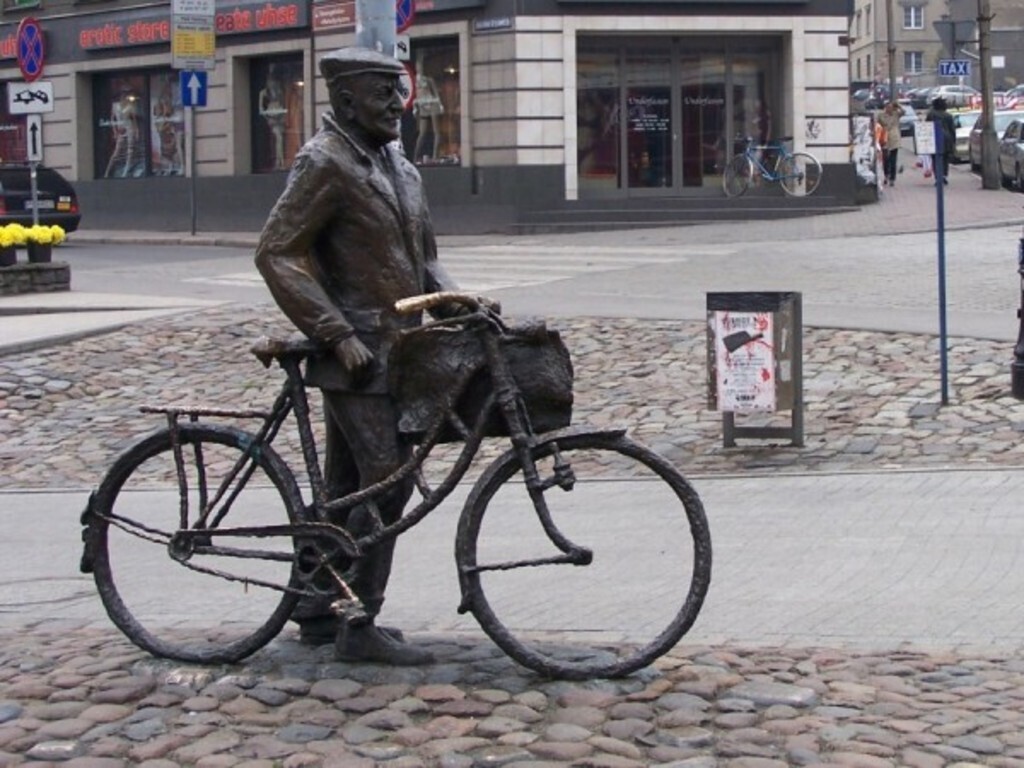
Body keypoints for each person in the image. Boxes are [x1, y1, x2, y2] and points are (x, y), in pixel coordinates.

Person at [255, 47, 468, 665]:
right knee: (386, 482)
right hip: (354, 356)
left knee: (346, 487)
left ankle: (315, 603)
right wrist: (336, 333)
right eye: (383, 93)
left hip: (399, 353)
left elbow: (426, 260)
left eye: (399, 92)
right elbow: (276, 253)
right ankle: (359, 623)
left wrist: (463, 308)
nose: (399, 105)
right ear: (346, 100)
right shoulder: (324, 161)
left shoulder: (401, 166)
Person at [259, 65, 288, 170]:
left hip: (279, 115)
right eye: (270, 81)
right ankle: (278, 161)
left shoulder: (279, 90)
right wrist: (268, 116)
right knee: (278, 138)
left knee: (280, 138)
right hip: (272, 116)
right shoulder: (264, 93)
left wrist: (283, 113)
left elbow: (284, 105)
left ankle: (280, 161)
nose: (272, 83)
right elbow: (261, 108)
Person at [926, 96, 955, 185]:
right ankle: (944, 175)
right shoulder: (948, 116)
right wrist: (953, 142)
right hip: (947, 140)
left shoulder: (931, 115)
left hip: (934, 139)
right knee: (945, 159)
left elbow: (927, 127)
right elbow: (952, 130)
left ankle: (938, 177)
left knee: (935, 159)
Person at [877, 101, 902, 186]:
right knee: (885, 159)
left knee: (893, 159)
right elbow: (877, 124)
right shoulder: (881, 115)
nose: (889, 109)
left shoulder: (896, 114)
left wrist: (898, 105)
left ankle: (892, 178)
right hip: (884, 138)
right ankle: (886, 175)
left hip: (894, 138)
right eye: (888, 107)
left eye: (891, 107)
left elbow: (903, 112)